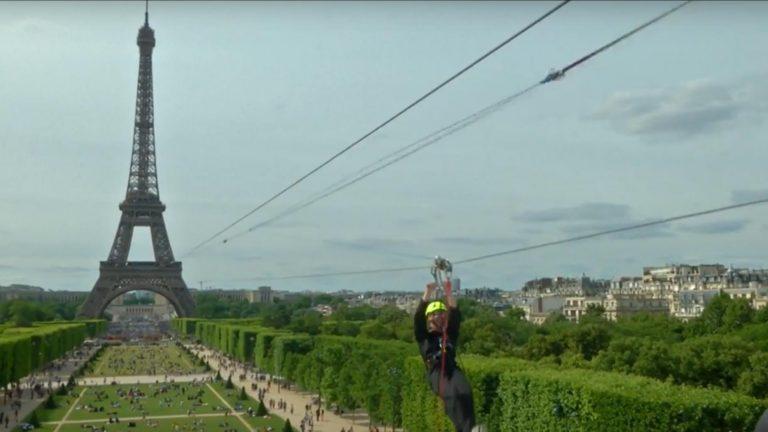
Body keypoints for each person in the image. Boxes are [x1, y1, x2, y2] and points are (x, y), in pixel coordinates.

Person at [414, 281, 476, 432]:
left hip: (452, 368)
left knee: (465, 392)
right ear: (429, 318)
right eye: (435, 314)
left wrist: (449, 293)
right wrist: (428, 292)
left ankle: (470, 429)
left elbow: (455, 314)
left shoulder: (449, 335)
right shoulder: (424, 338)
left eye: (441, 313)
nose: (439, 316)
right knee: (452, 397)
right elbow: (417, 319)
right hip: (436, 372)